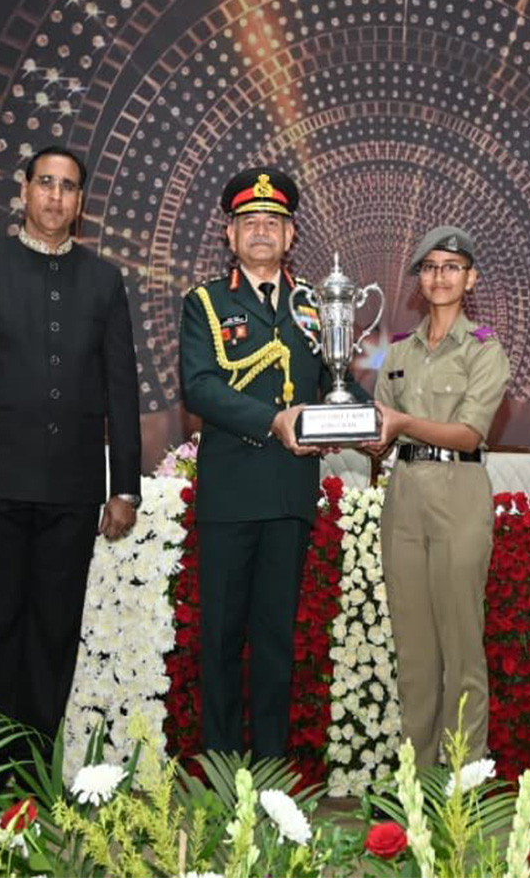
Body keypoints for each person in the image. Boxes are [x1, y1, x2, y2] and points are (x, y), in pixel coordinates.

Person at [0, 145, 141, 751]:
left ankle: (33, 770)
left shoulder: (103, 279)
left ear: (80, 203)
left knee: (53, 634)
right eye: (45, 183)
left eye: (68, 187)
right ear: (23, 190)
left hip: (71, 493)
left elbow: (121, 389)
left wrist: (123, 487)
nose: (55, 195)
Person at [179, 167, 343, 758]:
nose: (261, 232)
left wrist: (339, 416)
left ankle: (270, 775)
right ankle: (222, 770)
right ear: (230, 234)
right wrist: (271, 420)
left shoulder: (316, 305)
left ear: (291, 233)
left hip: (288, 494)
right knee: (221, 637)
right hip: (229, 493)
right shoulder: (205, 302)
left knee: (276, 638)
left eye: (272, 223)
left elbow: (333, 381)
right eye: (250, 223)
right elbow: (199, 387)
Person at [366, 227, 510, 762]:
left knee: (460, 647)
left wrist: (400, 421)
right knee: (416, 652)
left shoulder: (483, 349)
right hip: (403, 498)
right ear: (419, 281)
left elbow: (470, 434)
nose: (440, 276)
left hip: (459, 496)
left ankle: (463, 782)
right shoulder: (398, 353)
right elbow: (378, 432)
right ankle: (416, 778)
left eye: (452, 266)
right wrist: (353, 427)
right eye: (429, 267)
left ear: (470, 278)